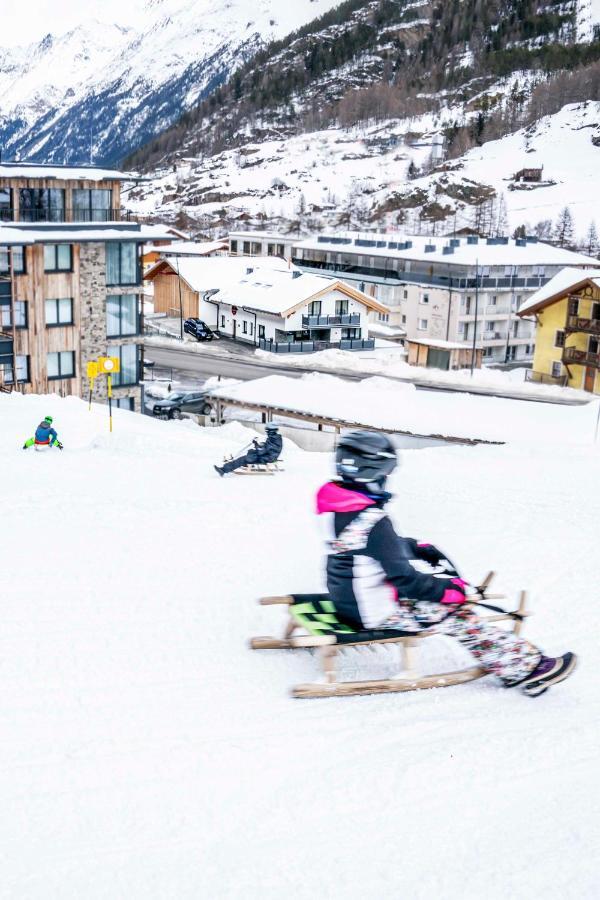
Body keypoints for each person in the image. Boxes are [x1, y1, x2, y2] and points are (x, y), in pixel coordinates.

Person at [315, 430, 576, 697]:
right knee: (458, 616)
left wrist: (412, 547)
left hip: (349, 601)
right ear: (375, 471)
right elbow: (407, 580)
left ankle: (514, 659)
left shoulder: (338, 507)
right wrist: (452, 591)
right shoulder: (375, 524)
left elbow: (361, 546)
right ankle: (526, 667)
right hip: (374, 613)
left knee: (439, 598)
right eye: (387, 473)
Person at [214, 423, 282, 476]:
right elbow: (266, 448)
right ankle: (245, 463)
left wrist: (257, 445)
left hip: (268, 458)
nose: (266, 432)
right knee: (250, 452)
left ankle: (223, 470)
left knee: (244, 458)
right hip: (268, 456)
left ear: (271, 431)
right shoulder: (274, 438)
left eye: (267, 430)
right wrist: (258, 444)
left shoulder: (274, 439)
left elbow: (262, 451)